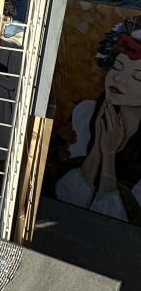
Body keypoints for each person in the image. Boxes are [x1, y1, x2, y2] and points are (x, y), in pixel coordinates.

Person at [54, 16, 141, 223]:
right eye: (117, 67)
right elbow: (65, 197)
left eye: (137, 76)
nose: (118, 78)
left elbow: (115, 222)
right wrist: (97, 150)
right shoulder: (86, 115)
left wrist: (108, 155)